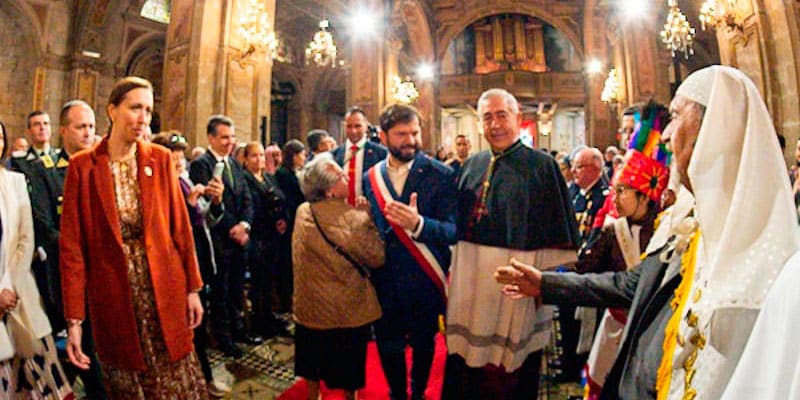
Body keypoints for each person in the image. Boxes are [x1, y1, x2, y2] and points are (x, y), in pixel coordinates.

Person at [651, 66, 800, 399]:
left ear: (714, 131)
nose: (665, 135)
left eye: (675, 116)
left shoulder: (772, 266)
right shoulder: (704, 230)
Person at [60, 76, 207, 399]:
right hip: (115, 295)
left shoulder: (160, 158)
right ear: (112, 110)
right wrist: (74, 321)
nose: (143, 118)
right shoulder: (82, 167)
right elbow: (72, 250)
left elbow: (180, 229)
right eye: (135, 108)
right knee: (128, 381)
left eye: (149, 111)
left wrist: (193, 289)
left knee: (175, 377)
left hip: (164, 288)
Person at [443, 88, 579, 399]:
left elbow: (559, 229)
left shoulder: (542, 166)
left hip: (516, 279)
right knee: (470, 365)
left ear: (517, 118)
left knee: (511, 371)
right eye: (487, 117)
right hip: (471, 278)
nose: (495, 124)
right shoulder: (471, 165)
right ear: (479, 123)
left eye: (502, 115)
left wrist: (543, 283)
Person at [363, 104, 457, 400]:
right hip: (385, 279)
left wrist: (419, 224)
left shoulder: (441, 174)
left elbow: (453, 230)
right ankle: (397, 393)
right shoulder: (371, 177)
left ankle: (417, 392)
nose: (411, 140)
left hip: (423, 277)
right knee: (388, 343)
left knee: (424, 343)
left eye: (415, 133)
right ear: (383, 136)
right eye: (401, 134)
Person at [577, 102, 670, 398]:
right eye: (625, 131)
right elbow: (588, 264)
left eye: (633, 131)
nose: (628, 138)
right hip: (615, 316)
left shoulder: (668, 221)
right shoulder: (614, 215)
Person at [25, 100, 107, 398]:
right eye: (80, 126)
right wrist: (82, 251)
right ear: (63, 131)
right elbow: (45, 226)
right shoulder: (45, 171)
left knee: (100, 345)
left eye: (91, 127)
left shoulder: (102, 167)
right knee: (84, 346)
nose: (87, 133)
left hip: (104, 272)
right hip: (68, 272)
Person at [293, 153, 385, 400]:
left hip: (309, 307)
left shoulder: (303, 211)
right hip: (345, 311)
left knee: (311, 362)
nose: (348, 178)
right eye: (341, 176)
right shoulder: (354, 218)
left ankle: (313, 396)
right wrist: (368, 219)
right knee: (349, 367)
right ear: (329, 191)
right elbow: (377, 257)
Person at [151, 131, 230, 397]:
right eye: (172, 158)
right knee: (186, 330)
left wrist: (215, 202)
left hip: (199, 261)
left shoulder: (183, 181)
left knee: (198, 326)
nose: (178, 162)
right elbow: (167, 229)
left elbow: (205, 221)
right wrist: (189, 205)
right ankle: (193, 382)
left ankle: (200, 379)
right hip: (175, 270)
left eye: (180, 157)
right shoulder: (157, 188)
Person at [0, 118, 73, 399]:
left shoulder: (15, 181)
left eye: (0, 138)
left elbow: (25, 238)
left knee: (35, 373)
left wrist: (8, 286)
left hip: (17, 291)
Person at [189, 115, 256, 358]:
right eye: (224, 137)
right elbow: (207, 206)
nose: (230, 142)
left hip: (239, 239)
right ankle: (223, 338)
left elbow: (246, 198)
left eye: (232, 137)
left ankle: (239, 330)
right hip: (218, 241)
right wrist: (232, 228)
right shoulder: (201, 165)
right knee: (221, 292)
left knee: (236, 289)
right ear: (211, 138)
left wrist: (245, 225)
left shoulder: (234, 163)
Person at [241, 141, 290, 338]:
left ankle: (269, 316)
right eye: (254, 155)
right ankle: (259, 321)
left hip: (272, 236)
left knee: (270, 279)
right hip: (257, 236)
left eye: (261, 155)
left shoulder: (269, 177)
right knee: (259, 281)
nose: (259, 159)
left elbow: (281, 199)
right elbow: (250, 207)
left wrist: (282, 219)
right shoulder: (244, 179)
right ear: (245, 159)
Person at [274, 139, 307, 312]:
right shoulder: (283, 174)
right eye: (302, 155)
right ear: (294, 156)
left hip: (296, 220)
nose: (304, 158)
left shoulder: (295, 172)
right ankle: (286, 302)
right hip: (289, 221)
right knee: (286, 264)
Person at [332, 106, 388, 205]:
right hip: (340, 209)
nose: (353, 131)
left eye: (357, 126)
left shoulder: (381, 153)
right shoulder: (334, 155)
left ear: (366, 126)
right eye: (349, 126)